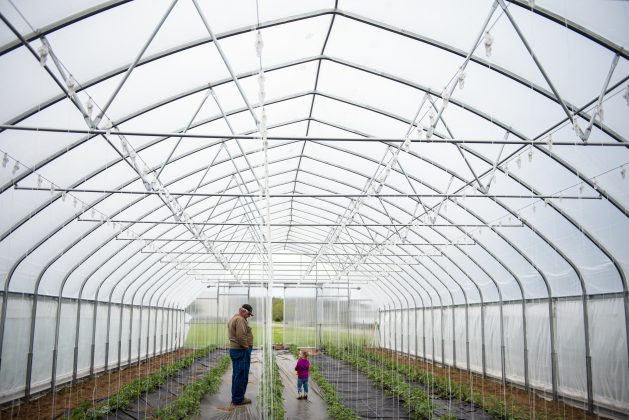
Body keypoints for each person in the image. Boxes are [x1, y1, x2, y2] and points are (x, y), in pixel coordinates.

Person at [227, 304, 254, 405]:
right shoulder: (240, 320)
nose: (249, 316)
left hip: (236, 350)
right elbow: (241, 336)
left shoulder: (234, 318)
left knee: (237, 374)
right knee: (241, 375)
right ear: (244, 311)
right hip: (240, 350)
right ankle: (238, 399)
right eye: (249, 314)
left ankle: (236, 397)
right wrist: (246, 347)